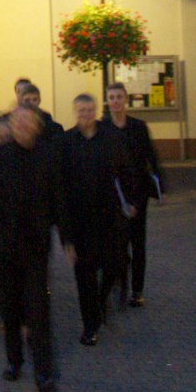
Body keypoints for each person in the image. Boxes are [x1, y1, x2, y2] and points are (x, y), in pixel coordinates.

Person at [0, 106, 70, 392]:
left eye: (27, 122)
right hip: (4, 244)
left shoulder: (47, 156)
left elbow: (60, 199)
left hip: (35, 246)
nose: (22, 127)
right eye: (17, 122)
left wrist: (67, 239)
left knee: (38, 309)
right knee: (9, 306)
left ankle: (44, 372)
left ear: (36, 126)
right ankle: (14, 359)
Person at [60, 93, 135, 345]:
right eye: (81, 110)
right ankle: (90, 326)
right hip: (80, 221)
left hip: (109, 218)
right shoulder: (67, 142)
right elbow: (61, 187)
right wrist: (66, 234)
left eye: (90, 110)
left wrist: (130, 200)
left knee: (114, 265)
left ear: (95, 111)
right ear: (75, 112)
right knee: (85, 276)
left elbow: (126, 171)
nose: (86, 114)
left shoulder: (110, 138)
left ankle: (102, 303)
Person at [104, 80, 165, 306]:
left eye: (119, 97)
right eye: (112, 98)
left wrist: (160, 188)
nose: (115, 102)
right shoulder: (103, 128)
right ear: (107, 101)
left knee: (138, 242)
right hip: (114, 194)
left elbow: (151, 157)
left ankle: (137, 291)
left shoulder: (138, 127)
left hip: (138, 192)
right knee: (117, 243)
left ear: (126, 100)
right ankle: (119, 279)